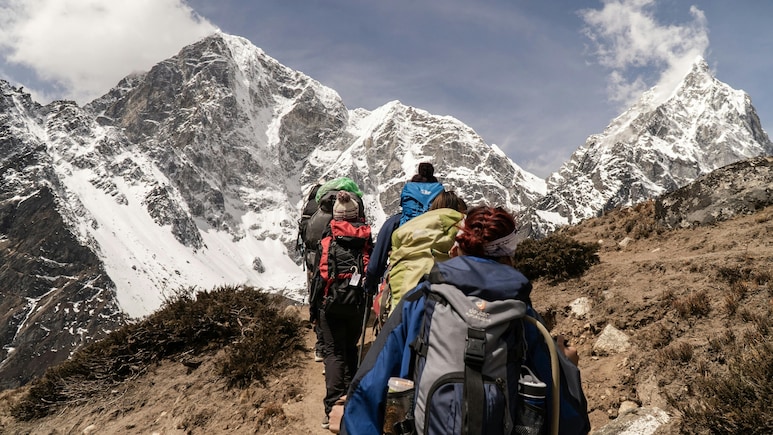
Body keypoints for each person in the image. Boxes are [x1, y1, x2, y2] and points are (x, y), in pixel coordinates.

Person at [340, 205, 590, 435]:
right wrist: (568, 368)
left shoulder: (420, 301)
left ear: (456, 249)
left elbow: (368, 390)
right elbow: (570, 420)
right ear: (510, 257)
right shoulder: (523, 315)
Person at [309, 190, 373, 429]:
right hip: (357, 304)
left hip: (330, 303)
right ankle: (352, 403)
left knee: (334, 353)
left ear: (335, 217)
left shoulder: (328, 241)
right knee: (350, 350)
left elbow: (319, 279)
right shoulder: (365, 240)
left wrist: (314, 312)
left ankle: (332, 409)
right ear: (357, 215)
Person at [364, 162, 444, 296]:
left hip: (402, 284)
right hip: (438, 286)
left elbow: (375, 265)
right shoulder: (446, 224)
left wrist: (369, 286)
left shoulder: (395, 223)